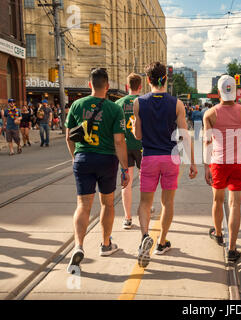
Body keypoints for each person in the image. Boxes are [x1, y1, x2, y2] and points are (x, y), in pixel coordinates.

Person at [65, 68, 130, 274]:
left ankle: (78, 246)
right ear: (108, 86)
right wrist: (125, 168)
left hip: (83, 158)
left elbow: (69, 137)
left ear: (89, 84)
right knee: (107, 203)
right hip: (107, 160)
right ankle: (105, 244)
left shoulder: (76, 105)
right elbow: (119, 141)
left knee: (83, 205)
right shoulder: (114, 109)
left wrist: (75, 157)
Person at [132, 62, 197, 268]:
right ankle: (161, 242)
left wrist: (135, 126)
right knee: (167, 203)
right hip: (171, 158)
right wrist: (193, 162)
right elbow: (184, 135)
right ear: (165, 79)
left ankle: (144, 237)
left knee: (144, 203)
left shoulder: (139, 103)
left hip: (150, 157)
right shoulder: (177, 104)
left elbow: (138, 135)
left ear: (148, 80)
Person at [203, 74, 241, 262]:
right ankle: (232, 249)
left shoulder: (209, 114)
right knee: (235, 205)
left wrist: (206, 166)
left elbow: (207, 142)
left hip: (218, 163)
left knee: (218, 201)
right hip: (238, 164)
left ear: (218, 93)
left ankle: (218, 234)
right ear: (236, 93)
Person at [115, 73, 144, 230]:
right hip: (142, 146)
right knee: (146, 181)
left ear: (127, 87)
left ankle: (127, 218)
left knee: (127, 182)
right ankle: (146, 209)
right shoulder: (145, 102)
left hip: (125, 147)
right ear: (140, 86)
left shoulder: (118, 103)